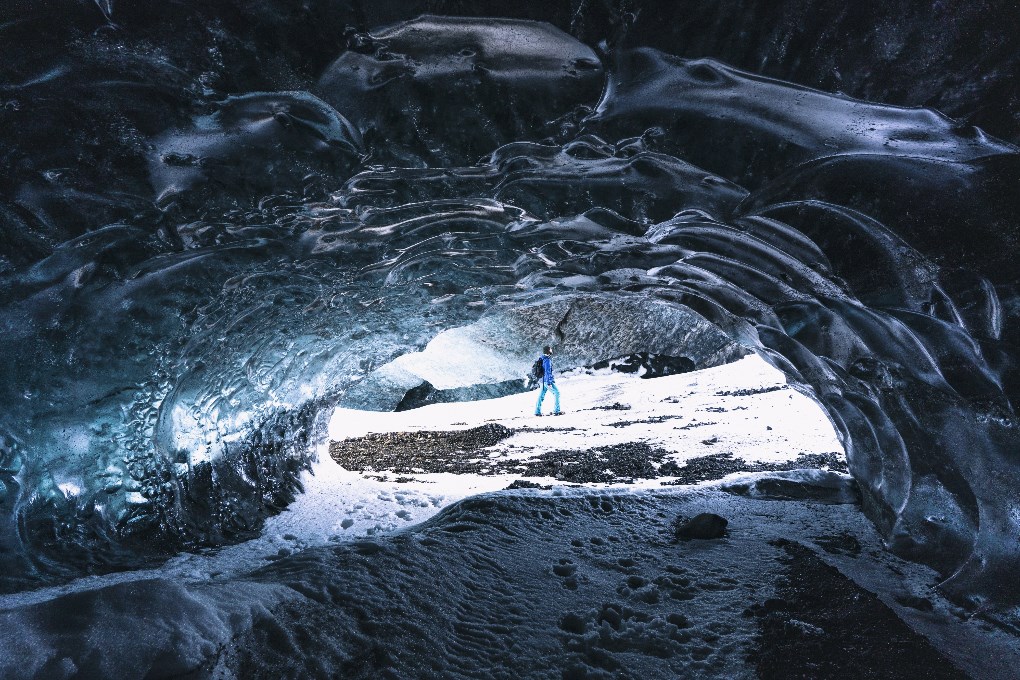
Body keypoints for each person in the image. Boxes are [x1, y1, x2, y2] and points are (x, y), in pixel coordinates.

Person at [534, 345, 562, 416]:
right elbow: (547, 372)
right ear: (548, 351)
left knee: (541, 396)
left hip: (542, 381)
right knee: (557, 393)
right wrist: (549, 382)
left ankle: (537, 412)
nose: (552, 351)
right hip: (547, 381)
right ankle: (556, 411)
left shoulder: (541, 358)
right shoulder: (547, 360)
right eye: (550, 350)